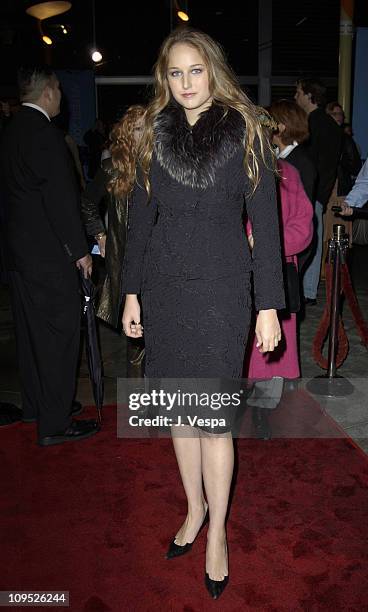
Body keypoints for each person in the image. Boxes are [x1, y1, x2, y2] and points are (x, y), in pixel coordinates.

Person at [121, 28, 285, 599]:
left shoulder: (245, 133)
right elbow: (139, 221)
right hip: (165, 290)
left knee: (213, 418)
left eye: (195, 70)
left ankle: (217, 532)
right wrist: (132, 291)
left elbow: (265, 226)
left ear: (212, 70)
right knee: (179, 411)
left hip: (222, 290)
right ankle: (193, 509)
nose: (186, 83)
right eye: (175, 73)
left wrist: (269, 305)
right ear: (164, 80)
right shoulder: (153, 134)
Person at [0, 66, 99, 446]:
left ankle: (37, 406)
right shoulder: (45, 135)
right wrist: (80, 251)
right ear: (47, 93)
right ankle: (55, 423)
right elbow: (61, 202)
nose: (62, 95)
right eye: (59, 88)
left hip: (20, 255)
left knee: (31, 335)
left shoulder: (11, 131)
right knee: (59, 334)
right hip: (48, 256)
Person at [245, 158, 313, 436]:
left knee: (269, 353)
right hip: (230, 270)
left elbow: (304, 226)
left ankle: (263, 411)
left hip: (276, 268)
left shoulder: (287, 172)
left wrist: (267, 242)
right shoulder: (226, 165)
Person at [81, 105, 145, 364]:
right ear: (128, 133)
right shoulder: (111, 168)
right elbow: (87, 202)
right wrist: (100, 234)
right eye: (139, 129)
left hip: (160, 256)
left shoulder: (163, 165)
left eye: (149, 128)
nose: (145, 134)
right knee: (134, 326)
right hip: (127, 257)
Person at [295, 78, 342, 305]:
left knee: (309, 241)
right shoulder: (328, 124)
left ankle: (306, 292)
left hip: (310, 192)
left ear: (309, 95)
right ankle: (308, 291)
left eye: (298, 93)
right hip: (318, 193)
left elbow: (314, 165)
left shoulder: (313, 124)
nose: (296, 97)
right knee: (313, 239)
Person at [326, 101, 361, 197]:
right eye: (335, 114)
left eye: (341, 114)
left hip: (339, 187)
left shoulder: (345, 139)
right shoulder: (321, 137)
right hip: (323, 186)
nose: (339, 117)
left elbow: (356, 166)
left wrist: (340, 160)